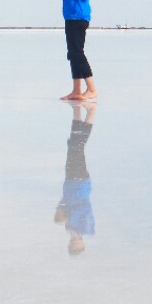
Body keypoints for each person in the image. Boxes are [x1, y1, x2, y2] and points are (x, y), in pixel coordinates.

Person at [54, 0, 98, 101]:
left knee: (77, 53)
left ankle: (91, 89)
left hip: (80, 16)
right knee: (72, 53)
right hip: (69, 16)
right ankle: (76, 90)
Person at [55, 101, 96, 256]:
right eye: (77, 246)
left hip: (71, 182)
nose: (74, 244)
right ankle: (91, 112)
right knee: (77, 146)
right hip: (79, 183)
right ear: (82, 244)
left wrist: (61, 209)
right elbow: (83, 207)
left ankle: (77, 109)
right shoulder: (85, 228)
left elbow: (66, 204)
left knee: (73, 143)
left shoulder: (70, 230)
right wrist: (66, 218)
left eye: (72, 247)